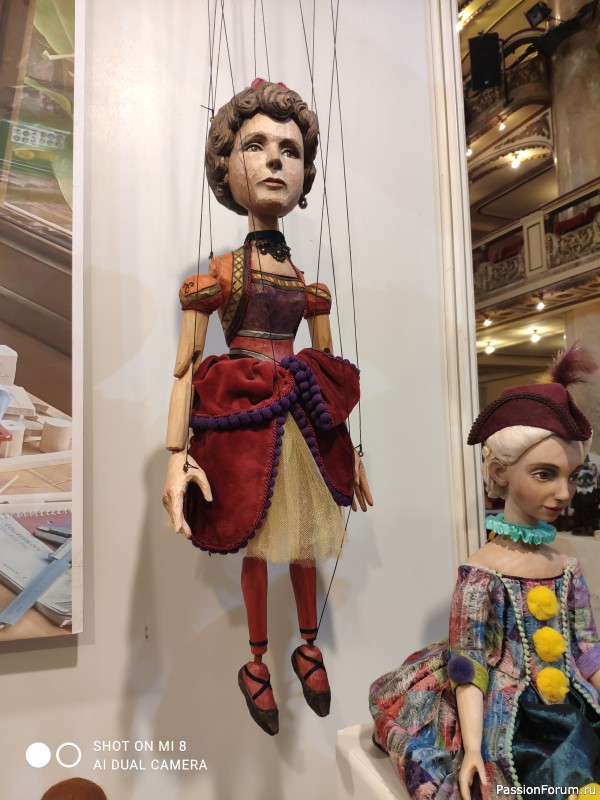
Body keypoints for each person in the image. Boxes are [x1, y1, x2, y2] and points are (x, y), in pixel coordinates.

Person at [162, 79, 372, 735]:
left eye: (291, 149)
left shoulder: (311, 289)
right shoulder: (221, 275)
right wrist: (175, 457)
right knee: (256, 536)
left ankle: (307, 646)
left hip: (301, 416)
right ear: (226, 166)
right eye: (256, 145)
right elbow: (185, 366)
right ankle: (256, 661)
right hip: (247, 414)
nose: (276, 159)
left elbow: (331, 380)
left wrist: (352, 455)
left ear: (306, 173)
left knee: (304, 543)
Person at [369, 344, 600, 798]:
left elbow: (587, 649)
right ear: (499, 471)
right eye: (545, 474)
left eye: (572, 476)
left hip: (568, 704)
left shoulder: (567, 568)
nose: (563, 492)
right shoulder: (480, 574)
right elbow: (470, 665)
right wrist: (473, 748)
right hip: (505, 712)